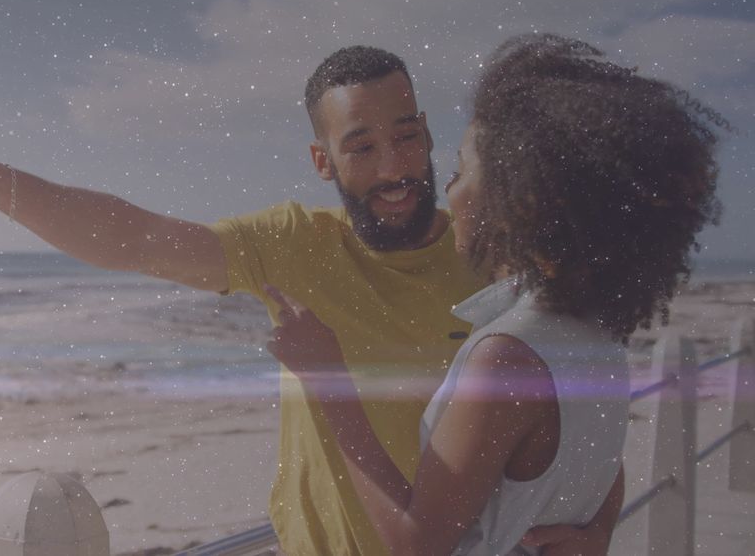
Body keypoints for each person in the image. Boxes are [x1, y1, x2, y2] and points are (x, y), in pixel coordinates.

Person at [0, 45, 622, 554]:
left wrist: (600, 526)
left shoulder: (492, 258)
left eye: (408, 136)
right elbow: (135, 239)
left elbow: (590, 417)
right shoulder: (296, 246)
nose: (396, 166)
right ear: (323, 161)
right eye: (362, 146)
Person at [265, 33, 724, 555]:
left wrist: (328, 382)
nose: (449, 191)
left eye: (461, 172)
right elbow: (600, 461)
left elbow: (416, 546)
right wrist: (596, 532)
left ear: (515, 201)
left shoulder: (506, 358)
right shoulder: (593, 329)